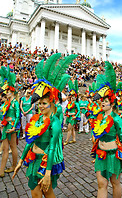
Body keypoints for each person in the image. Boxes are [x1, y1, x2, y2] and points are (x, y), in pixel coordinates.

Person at [13, 53, 77, 197]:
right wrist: (21, 160)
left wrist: (48, 173)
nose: (40, 106)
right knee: (35, 194)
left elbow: (53, 147)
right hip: (33, 160)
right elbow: (30, 141)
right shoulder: (37, 118)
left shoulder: (54, 122)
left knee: (48, 194)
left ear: (51, 103)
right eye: (39, 103)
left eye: (44, 103)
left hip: (45, 163)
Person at [90, 62, 122, 198]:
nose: (102, 102)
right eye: (101, 100)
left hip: (114, 155)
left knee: (115, 183)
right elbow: (95, 133)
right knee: (101, 184)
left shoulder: (116, 118)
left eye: (105, 100)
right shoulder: (99, 116)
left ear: (112, 103)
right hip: (100, 155)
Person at [0, 67, 20, 177]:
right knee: (6, 148)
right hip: (5, 127)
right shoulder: (7, 103)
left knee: (13, 147)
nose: (5, 93)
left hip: (11, 127)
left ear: (12, 92)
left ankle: (13, 166)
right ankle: (1, 170)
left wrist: (14, 126)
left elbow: (17, 116)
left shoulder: (15, 103)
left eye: (7, 91)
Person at [64, 79, 80, 145]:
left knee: (69, 129)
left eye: (74, 96)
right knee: (72, 128)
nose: (73, 98)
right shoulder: (69, 103)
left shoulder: (76, 103)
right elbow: (67, 108)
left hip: (73, 117)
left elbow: (79, 110)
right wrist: (65, 112)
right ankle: (74, 139)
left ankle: (66, 140)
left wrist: (75, 116)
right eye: (72, 96)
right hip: (69, 116)